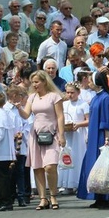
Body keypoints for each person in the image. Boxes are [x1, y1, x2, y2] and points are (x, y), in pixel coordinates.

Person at [17, 70, 66, 210]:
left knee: (50, 166)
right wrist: (19, 107)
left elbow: (60, 116)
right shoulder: (32, 97)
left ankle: (53, 195)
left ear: (45, 82)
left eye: (37, 81)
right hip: (36, 134)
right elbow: (26, 115)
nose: (35, 84)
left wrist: (62, 135)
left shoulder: (54, 96)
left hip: (52, 133)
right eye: (33, 82)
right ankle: (43, 198)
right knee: (38, 167)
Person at [76, 71, 109, 209]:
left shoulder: (106, 98)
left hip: (102, 136)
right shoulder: (97, 97)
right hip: (95, 134)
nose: (88, 82)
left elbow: (106, 120)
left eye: (90, 80)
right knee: (94, 166)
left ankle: (106, 198)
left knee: (104, 166)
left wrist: (107, 139)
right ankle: (97, 196)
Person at [59, 82, 89, 195]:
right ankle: (66, 184)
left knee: (77, 156)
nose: (70, 95)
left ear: (78, 92)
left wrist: (79, 124)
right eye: (68, 92)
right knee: (67, 156)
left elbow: (88, 120)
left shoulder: (83, 104)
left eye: (72, 92)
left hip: (78, 135)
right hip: (67, 134)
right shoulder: (64, 104)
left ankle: (77, 183)